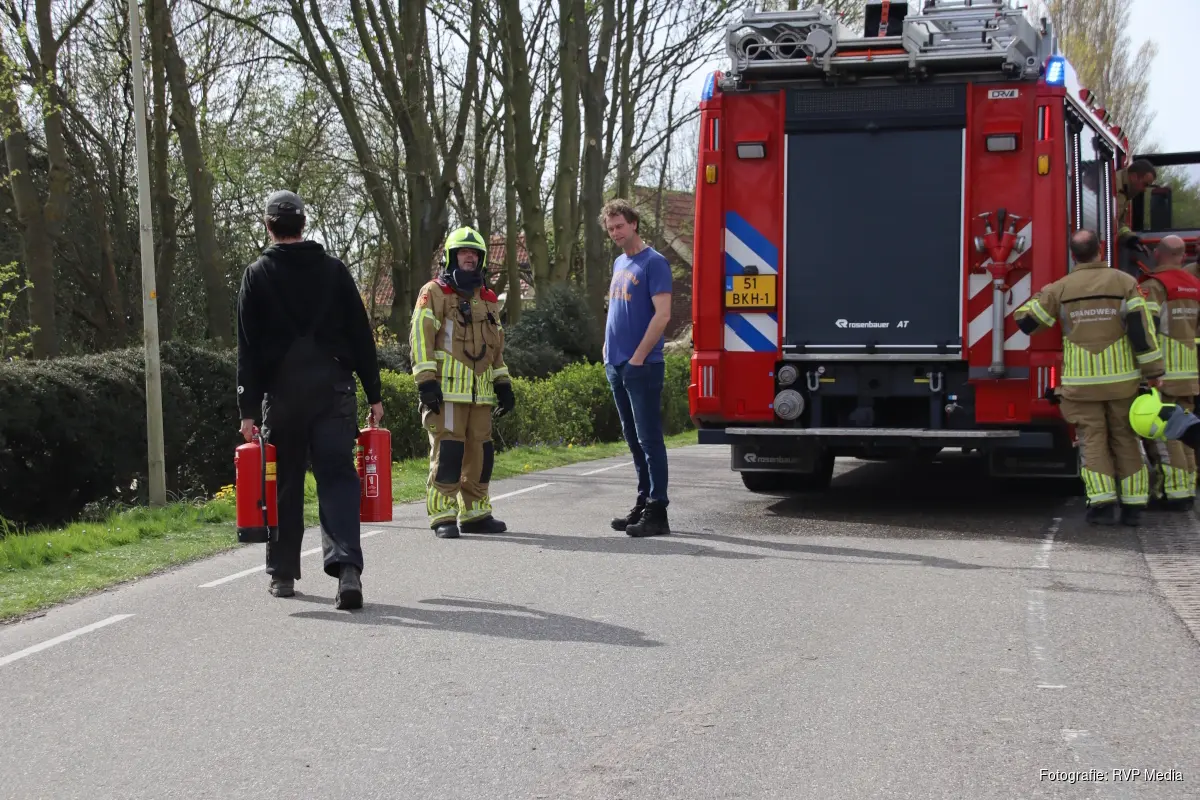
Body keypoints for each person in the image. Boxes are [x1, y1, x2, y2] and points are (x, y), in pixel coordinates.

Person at [236, 190, 383, 609]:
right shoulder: (335, 272)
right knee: (337, 478)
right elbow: (361, 335)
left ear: (269, 227)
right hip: (333, 391)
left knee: (284, 482)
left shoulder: (256, 275)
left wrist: (248, 411)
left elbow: (247, 350)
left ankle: (283, 573)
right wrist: (374, 394)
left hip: (283, 396)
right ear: (303, 225)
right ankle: (347, 570)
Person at [1014, 228, 1164, 526]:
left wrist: (1045, 295)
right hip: (1121, 382)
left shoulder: (1061, 288)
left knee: (1092, 442)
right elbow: (1141, 332)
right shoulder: (1125, 282)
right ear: (1101, 249)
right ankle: (1133, 507)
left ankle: (1102, 506)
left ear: (1073, 256)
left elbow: (1026, 322)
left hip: (1081, 386)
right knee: (1125, 439)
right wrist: (1154, 372)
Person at [409, 225, 515, 539]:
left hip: (481, 395)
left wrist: (503, 383)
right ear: (451, 257)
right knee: (449, 454)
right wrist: (426, 382)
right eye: (463, 253)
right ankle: (442, 515)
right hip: (446, 393)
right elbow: (420, 337)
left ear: (481, 259)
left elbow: (496, 347)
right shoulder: (434, 292)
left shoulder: (489, 298)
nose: (469, 258)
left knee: (481, 455)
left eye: (474, 254)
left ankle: (476, 513)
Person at [599, 199, 672, 537]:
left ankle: (658, 510)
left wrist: (639, 357)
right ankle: (643, 501)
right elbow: (615, 312)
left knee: (649, 439)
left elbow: (663, 315)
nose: (615, 233)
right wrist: (606, 350)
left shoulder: (654, 263)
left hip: (642, 365)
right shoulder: (619, 262)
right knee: (632, 438)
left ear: (634, 224)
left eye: (620, 226)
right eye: (610, 228)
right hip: (616, 364)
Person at [1137, 234, 1200, 510]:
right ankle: (1186, 487)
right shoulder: (1195, 285)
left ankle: (1175, 494)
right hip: (1189, 373)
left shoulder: (1154, 286)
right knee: (1186, 431)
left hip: (1163, 375)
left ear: (1157, 254)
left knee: (1168, 435)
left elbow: (1145, 329)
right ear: (1183, 256)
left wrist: (1147, 370)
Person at [1114, 159, 1157, 277]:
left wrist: (1131, 238)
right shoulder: (1112, 186)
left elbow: (1118, 223)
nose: (1144, 190)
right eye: (1145, 184)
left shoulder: (1125, 192)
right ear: (1133, 177)